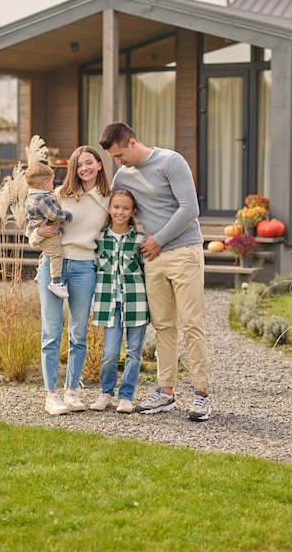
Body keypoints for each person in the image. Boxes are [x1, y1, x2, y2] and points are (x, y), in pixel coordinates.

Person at [99, 122, 211, 422]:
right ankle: (166, 392)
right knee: (162, 325)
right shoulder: (123, 175)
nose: (118, 162)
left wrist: (158, 239)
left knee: (192, 324)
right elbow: (110, 208)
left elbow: (190, 209)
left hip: (183, 252)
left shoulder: (171, 161)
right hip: (151, 258)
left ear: (133, 142)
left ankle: (201, 395)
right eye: (113, 158)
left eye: (120, 155)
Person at [27, 146, 110, 415]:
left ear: (99, 164)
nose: (84, 168)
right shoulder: (59, 195)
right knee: (51, 333)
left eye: (89, 162)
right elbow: (32, 236)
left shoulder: (108, 200)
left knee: (78, 334)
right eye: (79, 164)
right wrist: (39, 231)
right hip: (53, 267)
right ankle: (52, 395)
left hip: (85, 268)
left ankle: (72, 391)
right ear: (73, 168)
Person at [90, 189, 149, 414]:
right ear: (109, 209)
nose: (120, 212)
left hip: (136, 303)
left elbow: (146, 273)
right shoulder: (100, 238)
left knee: (134, 351)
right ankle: (106, 393)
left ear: (133, 211)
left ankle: (126, 396)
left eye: (126, 208)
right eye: (116, 207)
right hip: (109, 304)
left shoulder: (139, 240)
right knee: (110, 352)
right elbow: (94, 267)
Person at [25, 162, 72, 299]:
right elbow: (53, 214)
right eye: (52, 182)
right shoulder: (42, 199)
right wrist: (66, 215)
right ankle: (56, 282)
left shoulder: (33, 196)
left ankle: (40, 272)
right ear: (45, 183)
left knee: (50, 252)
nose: (53, 186)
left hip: (38, 231)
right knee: (56, 254)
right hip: (47, 233)